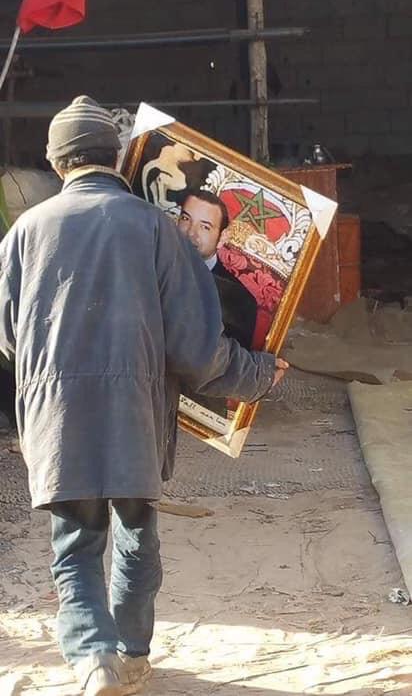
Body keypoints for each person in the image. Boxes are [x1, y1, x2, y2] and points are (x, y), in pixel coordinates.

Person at [0, 96, 288, 696]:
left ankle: (93, 657)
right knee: (135, 533)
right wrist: (259, 374)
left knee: (75, 545)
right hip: (136, 411)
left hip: (57, 413)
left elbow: (8, 337)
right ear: (116, 158)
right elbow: (196, 350)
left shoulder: (24, 232)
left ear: (56, 164)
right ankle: (131, 656)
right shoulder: (156, 229)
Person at [178, 189, 257, 350]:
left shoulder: (239, 300)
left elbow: (229, 360)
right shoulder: (149, 261)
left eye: (205, 227)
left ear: (222, 237)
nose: (191, 233)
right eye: (186, 219)